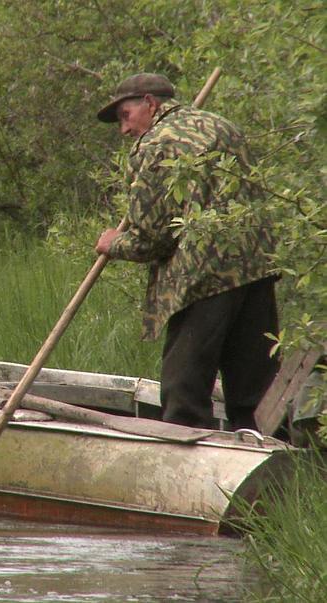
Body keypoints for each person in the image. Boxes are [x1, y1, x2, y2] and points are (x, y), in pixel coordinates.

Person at [95, 73, 280, 431]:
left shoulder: (154, 146)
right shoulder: (221, 126)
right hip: (256, 269)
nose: (124, 130)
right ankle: (270, 461)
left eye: (125, 115)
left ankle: (192, 470)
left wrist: (112, 243)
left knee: (184, 392)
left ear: (151, 103)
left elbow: (152, 239)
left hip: (202, 278)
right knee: (255, 390)